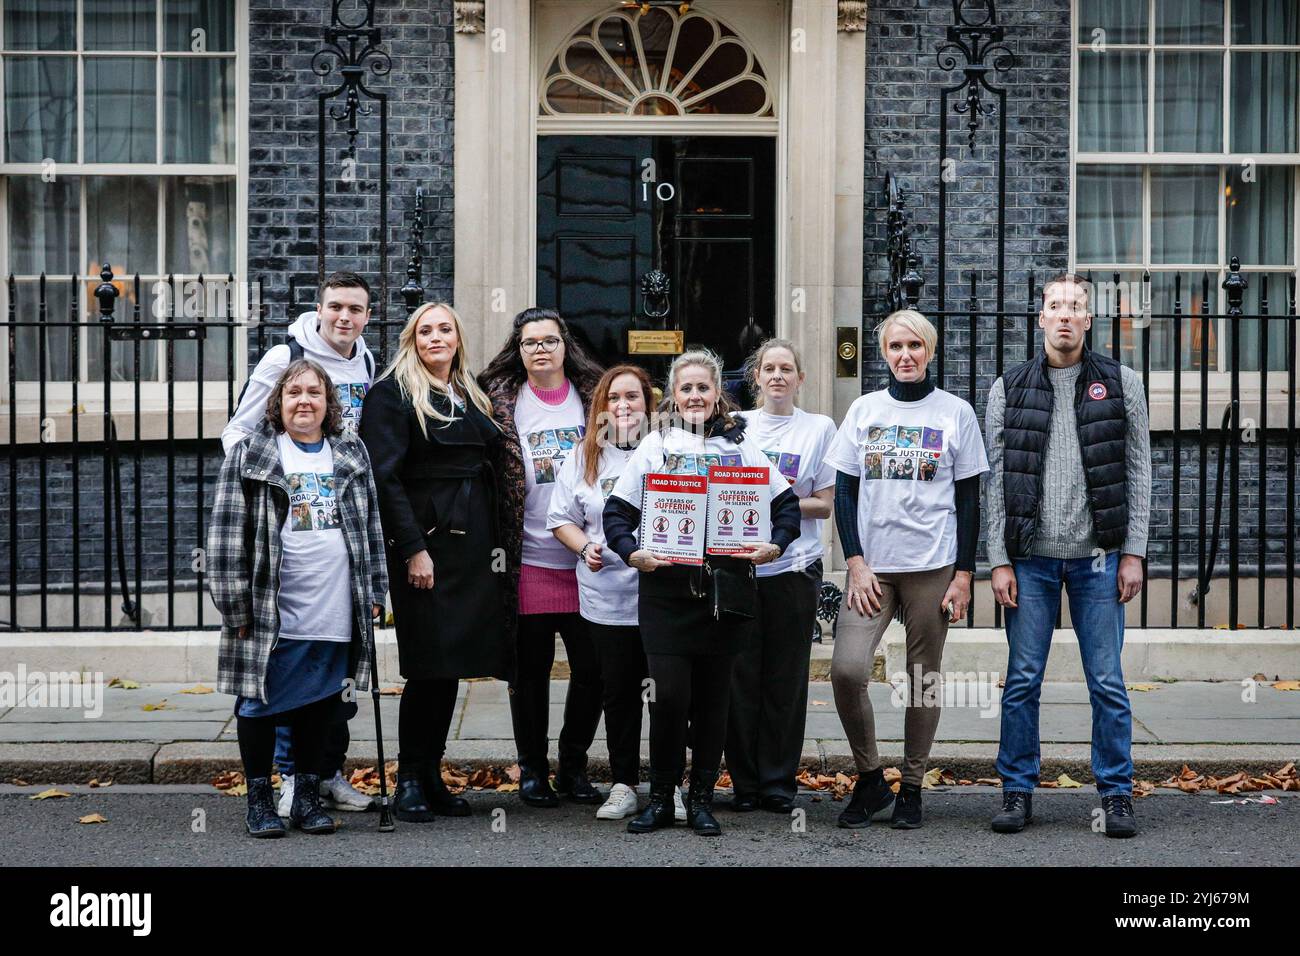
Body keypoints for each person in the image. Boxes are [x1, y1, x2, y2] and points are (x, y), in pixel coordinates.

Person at [603, 349, 801, 836]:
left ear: (717, 395)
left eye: (703, 388)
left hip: (725, 595)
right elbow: (616, 514)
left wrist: (774, 546)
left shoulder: (743, 449)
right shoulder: (654, 445)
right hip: (666, 594)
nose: (694, 396)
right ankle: (663, 799)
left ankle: (700, 800)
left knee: (715, 702)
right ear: (673, 395)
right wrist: (633, 555)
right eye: (685, 388)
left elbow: (788, 506)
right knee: (668, 698)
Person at [985, 273, 1151, 839]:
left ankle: (1116, 792)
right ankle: (1016, 790)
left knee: (1106, 680)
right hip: (1029, 559)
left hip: (1099, 558)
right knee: (1022, 678)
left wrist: (1134, 552)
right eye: (1054, 305)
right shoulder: (1009, 386)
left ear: (1088, 319)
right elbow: (995, 482)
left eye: (1074, 307)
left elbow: (1139, 472)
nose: (1064, 315)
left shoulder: (1122, 382)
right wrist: (998, 560)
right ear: (1040, 318)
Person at [221, 270, 378, 817]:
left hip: (337, 568)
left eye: (355, 309)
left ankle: (319, 778)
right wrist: (264, 478)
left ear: (366, 315)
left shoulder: (366, 361)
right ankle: (281, 784)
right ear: (319, 308)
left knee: (328, 690)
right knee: (272, 683)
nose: (344, 317)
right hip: (282, 562)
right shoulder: (280, 356)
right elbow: (236, 432)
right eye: (335, 306)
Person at [827, 309, 988, 830]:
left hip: (932, 565)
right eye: (896, 346)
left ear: (930, 351)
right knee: (848, 669)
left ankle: (913, 786)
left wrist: (964, 575)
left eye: (915, 346)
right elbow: (845, 492)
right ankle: (870, 777)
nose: (905, 355)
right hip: (872, 568)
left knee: (922, 680)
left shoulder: (955, 413)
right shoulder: (864, 409)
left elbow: (970, 500)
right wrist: (854, 562)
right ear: (884, 352)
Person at [358, 302, 512, 822]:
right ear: (412, 339)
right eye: (425, 330)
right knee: (426, 666)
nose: (436, 337)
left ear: (457, 336)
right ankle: (408, 781)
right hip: (427, 545)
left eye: (445, 328)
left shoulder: (470, 391)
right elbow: (385, 477)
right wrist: (412, 550)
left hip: (473, 547)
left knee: (451, 669)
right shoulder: (392, 393)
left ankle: (431, 774)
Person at [547, 364, 688, 821]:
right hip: (607, 596)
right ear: (601, 407)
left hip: (662, 597)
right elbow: (561, 518)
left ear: (649, 406)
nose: (623, 406)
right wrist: (585, 545)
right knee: (619, 695)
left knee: (669, 696)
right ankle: (624, 783)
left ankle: (672, 787)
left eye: (633, 398)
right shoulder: (585, 456)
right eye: (614, 399)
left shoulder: (670, 450)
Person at [480, 308, 607, 807]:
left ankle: (572, 767)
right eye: (530, 342)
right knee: (529, 675)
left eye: (549, 341)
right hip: (528, 557)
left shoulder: (593, 396)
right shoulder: (500, 401)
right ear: (519, 349)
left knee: (592, 670)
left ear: (564, 345)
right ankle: (532, 769)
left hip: (586, 560)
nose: (540, 350)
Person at [725, 339, 837, 813]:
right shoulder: (735, 428)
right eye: (769, 368)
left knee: (785, 679)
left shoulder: (818, 428)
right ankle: (745, 783)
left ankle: (777, 782)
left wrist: (775, 501)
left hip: (794, 567)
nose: (777, 376)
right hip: (740, 566)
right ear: (756, 378)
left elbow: (825, 503)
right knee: (740, 676)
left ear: (800, 378)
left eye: (786, 369)